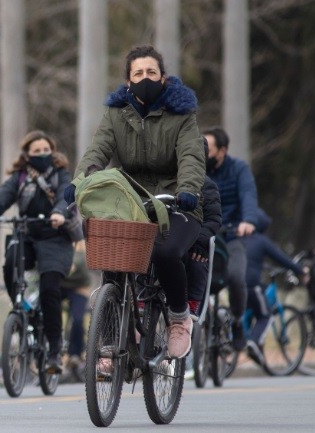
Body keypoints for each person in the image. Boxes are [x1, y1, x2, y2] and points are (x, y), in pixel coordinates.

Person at [69, 45, 204, 359]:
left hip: (175, 203)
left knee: (166, 251)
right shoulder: (116, 115)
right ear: (128, 81)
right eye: (139, 73)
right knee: (113, 257)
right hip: (130, 202)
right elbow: (97, 151)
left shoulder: (182, 115)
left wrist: (188, 190)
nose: (146, 78)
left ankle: (179, 317)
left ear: (162, 77)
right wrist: (80, 182)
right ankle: (110, 341)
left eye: (151, 72)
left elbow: (191, 158)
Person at [0, 130, 75, 373]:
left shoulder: (61, 174)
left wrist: (60, 213)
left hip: (55, 237)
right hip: (27, 234)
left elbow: (65, 197)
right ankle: (20, 307)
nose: (42, 155)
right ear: (27, 155)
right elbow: (0, 200)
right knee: (10, 263)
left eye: (46, 150)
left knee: (50, 288)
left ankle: (53, 350)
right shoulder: (19, 178)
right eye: (36, 151)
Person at [204, 125, 260, 351]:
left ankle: (237, 321)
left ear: (222, 151)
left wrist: (248, 220)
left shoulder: (239, 169)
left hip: (233, 233)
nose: (203, 153)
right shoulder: (197, 169)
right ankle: (199, 322)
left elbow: (248, 195)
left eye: (208, 149)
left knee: (236, 277)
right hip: (206, 232)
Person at [243, 208, 306, 363]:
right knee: (265, 315)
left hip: (233, 284)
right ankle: (253, 341)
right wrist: (300, 270)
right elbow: (281, 258)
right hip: (250, 285)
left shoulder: (240, 238)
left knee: (248, 308)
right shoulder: (261, 241)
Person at [185, 138, 223, 319]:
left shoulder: (207, 185)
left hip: (193, 243)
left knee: (197, 262)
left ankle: (192, 305)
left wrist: (199, 241)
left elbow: (213, 219)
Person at [59, 240, 91, 381]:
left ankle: (75, 354)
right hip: (59, 286)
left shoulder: (80, 243)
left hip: (79, 287)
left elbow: (79, 263)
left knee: (78, 320)